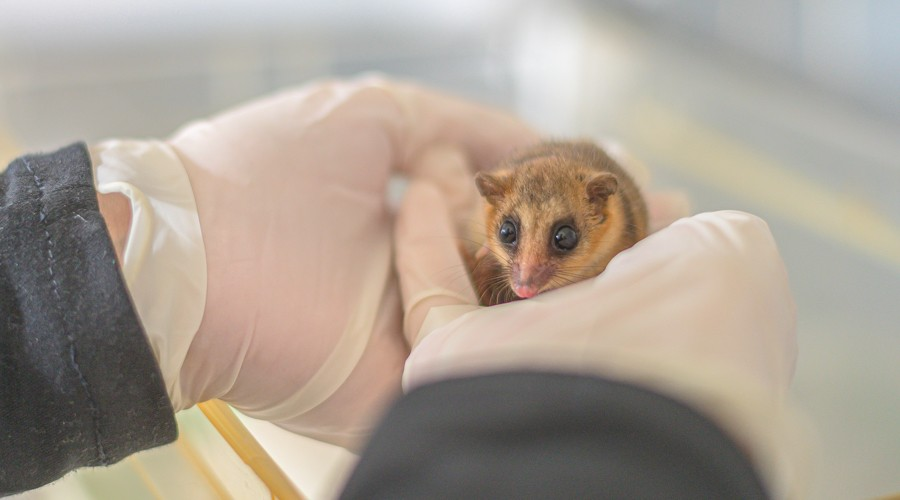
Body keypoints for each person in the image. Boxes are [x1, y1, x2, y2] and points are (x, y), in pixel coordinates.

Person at [0, 76, 803, 498]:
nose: (526, 271)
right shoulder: (497, 233)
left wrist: (136, 256)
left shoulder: (615, 205)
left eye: (560, 243)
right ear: (492, 209)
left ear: (601, 208)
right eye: (511, 240)